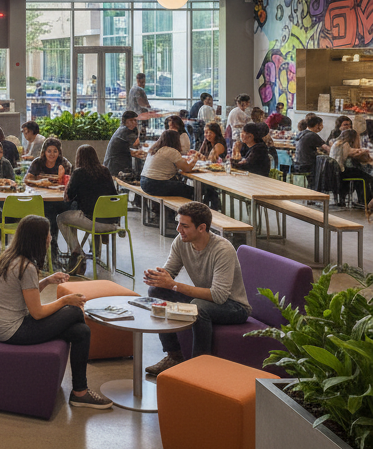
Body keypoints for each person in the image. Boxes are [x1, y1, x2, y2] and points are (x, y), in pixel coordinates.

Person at [0, 214, 111, 409]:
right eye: (47, 235)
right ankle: (85, 380)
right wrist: (64, 300)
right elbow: (37, 313)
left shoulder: (11, 257)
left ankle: (80, 392)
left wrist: (46, 281)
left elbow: (25, 296)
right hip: (13, 331)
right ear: (36, 239)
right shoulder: (25, 267)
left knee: (81, 331)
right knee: (74, 310)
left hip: (6, 326)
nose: (50, 238)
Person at [143, 202, 251, 374]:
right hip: (204, 299)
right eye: (178, 223)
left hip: (234, 307)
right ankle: (174, 356)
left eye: (184, 226)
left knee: (198, 309)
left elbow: (219, 296)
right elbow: (169, 273)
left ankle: (199, 368)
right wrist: (157, 277)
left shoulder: (222, 250)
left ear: (202, 228)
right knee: (157, 292)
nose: (178, 229)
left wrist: (174, 285)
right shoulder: (181, 242)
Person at [57, 145, 121, 276]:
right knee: (80, 214)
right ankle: (97, 243)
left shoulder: (79, 173)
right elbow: (114, 195)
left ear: (78, 158)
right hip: (111, 222)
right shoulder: (105, 171)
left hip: (91, 221)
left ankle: (77, 252)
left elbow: (68, 197)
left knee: (61, 218)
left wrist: (68, 184)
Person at [140, 129, 198, 200]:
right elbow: (187, 169)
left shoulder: (154, 149)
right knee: (193, 191)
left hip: (144, 182)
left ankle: (171, 210)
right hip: (156, 184)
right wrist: (195, 158)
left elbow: (168, 161)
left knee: (180, 185)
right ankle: (189, 210)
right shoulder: (171, 151)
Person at [104, 110, 147, 179]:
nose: (134, 123)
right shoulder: (124, 131)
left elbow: (133, 147)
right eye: (131, 120)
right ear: (124, 121)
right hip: (116, 168)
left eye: (135, 120)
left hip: (115, 166)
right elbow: (137, 144)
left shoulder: (123, 129)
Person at [292, 114, 329, 183]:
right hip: (307, 166)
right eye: (321, 125)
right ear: (317, 125)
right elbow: (327, 148)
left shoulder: (301, 133)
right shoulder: (313, 135)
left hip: (297, 164)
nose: (322, 127)